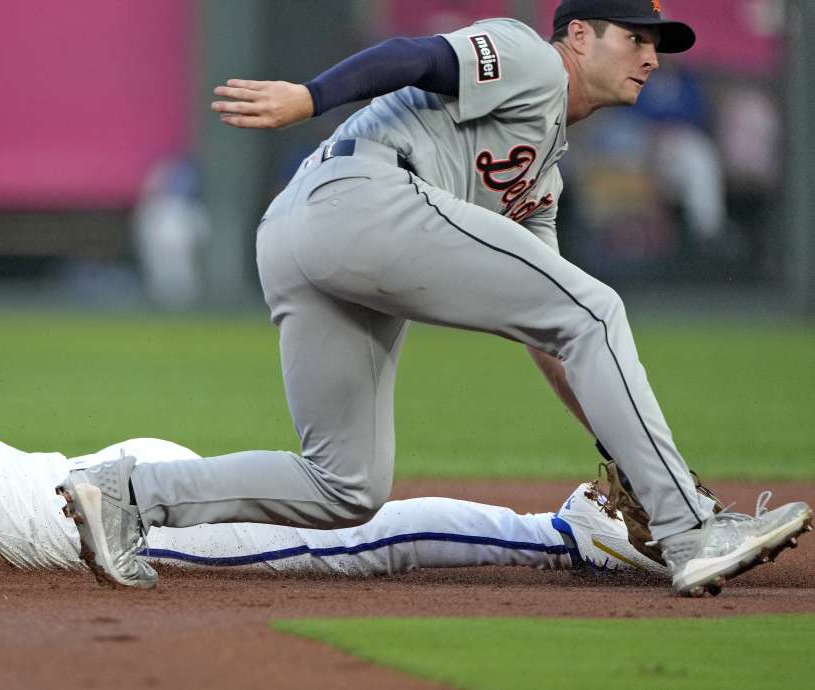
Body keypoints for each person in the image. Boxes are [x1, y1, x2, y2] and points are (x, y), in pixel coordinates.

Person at [52, 0, 813, 596]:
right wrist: (309, 97)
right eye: (633, 36)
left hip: (298, 236)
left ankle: (124, 493)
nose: (651, 56)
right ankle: (691, 533)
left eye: (658, 43)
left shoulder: (541, 175)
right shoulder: (534, 60)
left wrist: (620, 452)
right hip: (360, 195)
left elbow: (552, 336)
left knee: (344, 486)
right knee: (598, 307)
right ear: (578, 34)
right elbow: (415, 55)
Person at [0, 328, 668, 579]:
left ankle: (567, 535)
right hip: (105, 474)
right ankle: (568, 528)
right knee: (335, 522)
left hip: (114, 521)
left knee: (357, 540)